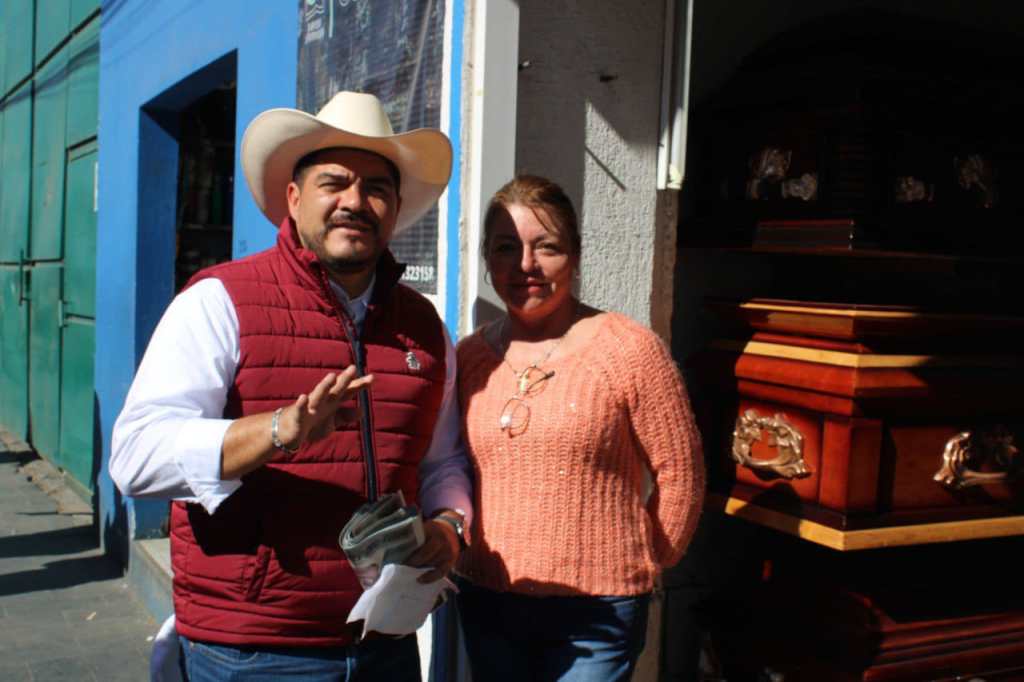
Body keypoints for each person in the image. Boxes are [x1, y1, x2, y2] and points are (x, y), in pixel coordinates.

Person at [110, 91, 472, 681]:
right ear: (295, 198)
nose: (354, 201)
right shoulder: (219, 300)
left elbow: (442, 461)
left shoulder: (425, 328)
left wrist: (450, 527)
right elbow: (135, 459)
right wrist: (279, 430)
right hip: (255, 651)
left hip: (387, 645)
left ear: (395, 207)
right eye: (334, 183)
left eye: (376, 188)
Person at [454, 175, 706, 681]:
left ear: (574, 255)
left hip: (597, 612)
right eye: (506, 248)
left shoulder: (629, 350)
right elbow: (452, 467)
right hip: (488, 600)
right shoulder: (469, 358)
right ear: (486, 259)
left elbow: (682, 472)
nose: (525, 265)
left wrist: (648, 559)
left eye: (546, 247)